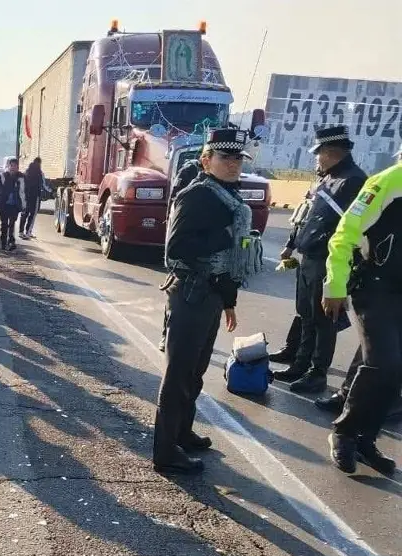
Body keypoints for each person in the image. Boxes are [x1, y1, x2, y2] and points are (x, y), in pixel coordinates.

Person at [154, 128, 259, 475]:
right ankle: (166, 451)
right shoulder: (197, 195)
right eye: (224, 157)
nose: (232, 164)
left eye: (237, 159)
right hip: (190, 293)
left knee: (195, 373)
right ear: (206, 160)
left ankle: (182, 433)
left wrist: (229, 300)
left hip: (211, 296)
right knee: (178, 375)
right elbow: (175, 250)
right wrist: (225, 233)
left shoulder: (227, 195)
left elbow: (230, 259)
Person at [321, 145, 402, 477]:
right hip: (374, 285)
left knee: (395, 370)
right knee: (384, 361)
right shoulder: (387, 182)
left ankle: (366, 440)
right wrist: (334, 285)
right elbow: (344, 235)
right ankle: (344, 431)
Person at [274, 126, 367, 394]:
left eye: (319, 154)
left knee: (323, 320)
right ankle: (300, 364)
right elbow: (308, 215)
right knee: (306, 313)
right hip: (310, 256)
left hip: (330, 259)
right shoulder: (329, 178)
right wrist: (292, 244)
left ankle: (317, 373)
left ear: (329, 153)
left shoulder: (353, 181)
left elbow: (352, 227)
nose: (316, 160)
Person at [158, 156, 205, 352]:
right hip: (184, 242)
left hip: (207, 246)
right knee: (175, 294)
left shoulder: (227, 181)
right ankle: (166, 334)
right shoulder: (190, 171)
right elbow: (175, 205)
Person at [0, 156, 26, 251]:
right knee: (4, 224)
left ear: (18, 167)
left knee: (12, 224)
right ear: (9, 166)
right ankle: (3, 242)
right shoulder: (4, 176)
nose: (13, 168)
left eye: (15, 166)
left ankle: (11, 241)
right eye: (11, 166)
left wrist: (23, 205)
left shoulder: (21, 177)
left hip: (15, 205)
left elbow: (23, 192)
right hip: (4, 204)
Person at [19, 156, 47, 239]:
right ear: (40, 163)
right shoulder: (40, 173)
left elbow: (22, 184)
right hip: (35, 197)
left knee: (24, 213)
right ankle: (28, 232)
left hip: (26, 196)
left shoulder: (26, 172)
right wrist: (51, 191)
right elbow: (44, 185)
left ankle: (21, 232)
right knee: (32, 214)